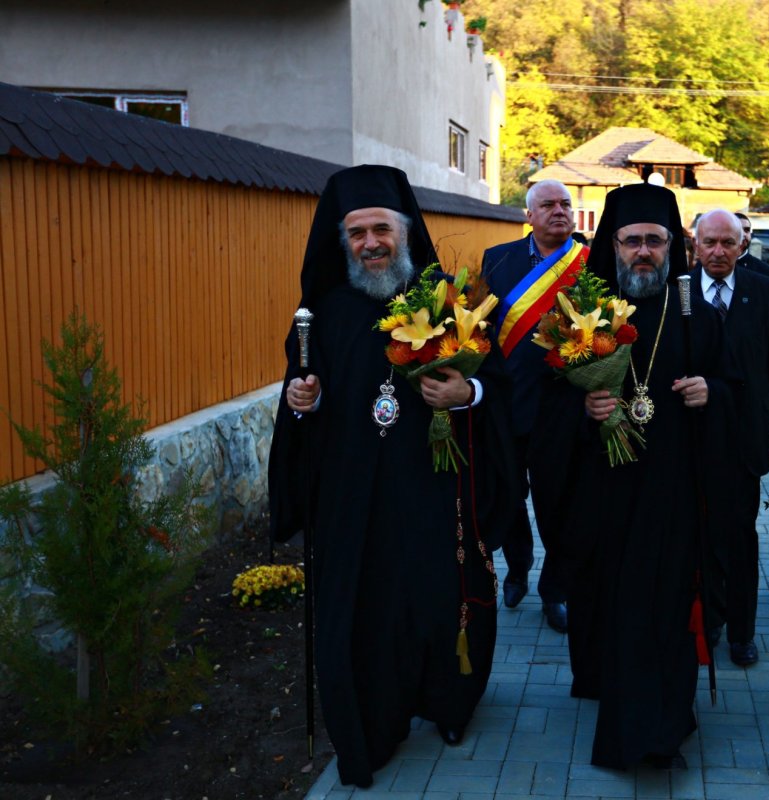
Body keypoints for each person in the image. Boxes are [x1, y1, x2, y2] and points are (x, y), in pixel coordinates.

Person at [267, 165, 515, 788]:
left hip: (436, 491)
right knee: (367, 612)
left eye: (382, 228)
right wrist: (306, 402)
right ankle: (372, 724)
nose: (371, 243)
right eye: (357, 233)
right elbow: (304, 396)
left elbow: (502, 390)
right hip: (357, 501)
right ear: (341, 242)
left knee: (440, 597)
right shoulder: (322, 314)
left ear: (405, 232)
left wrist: (469, 391)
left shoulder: (451, 301)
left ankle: (449, 703)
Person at [530, 182, 731, 769]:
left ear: (673, 247)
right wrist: (582, 410)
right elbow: (543, 408)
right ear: (610, 246)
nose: (643, 252)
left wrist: (709, 392)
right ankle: (615, 694)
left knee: (664, 604)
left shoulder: (700, 323)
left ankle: (657, 726)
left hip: (672, 494)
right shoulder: (580, 319)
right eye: (631, 241)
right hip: (603, 496)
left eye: (654, 241)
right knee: (611, 604)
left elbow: (741, 395)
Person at [691, 209, 769, 667]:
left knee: (739, 536)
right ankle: (708, 619)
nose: (718, 251)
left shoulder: (763, 290)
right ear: (694, 246)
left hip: (744, 438)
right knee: (699, 534)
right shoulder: (678, 290)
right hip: (693, 435)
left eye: (727, 243)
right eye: (709, 242)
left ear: (742, 246)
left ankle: (742, 631)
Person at [480, 179, 585, 633]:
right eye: (548, 204)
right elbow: (479, 329)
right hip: (505, 405)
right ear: (529, 215)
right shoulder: (497, 259)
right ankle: (517, 567)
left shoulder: (589, 263)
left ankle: (555, 590)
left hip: (562, 409)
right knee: (506, 496)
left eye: (565, 204)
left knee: (558, 503)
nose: (559, 211)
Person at [733, 211, 769, 278]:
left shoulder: (765, 272)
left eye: (747, 230)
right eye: (738, 230)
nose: (743, 234)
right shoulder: (716, 268)